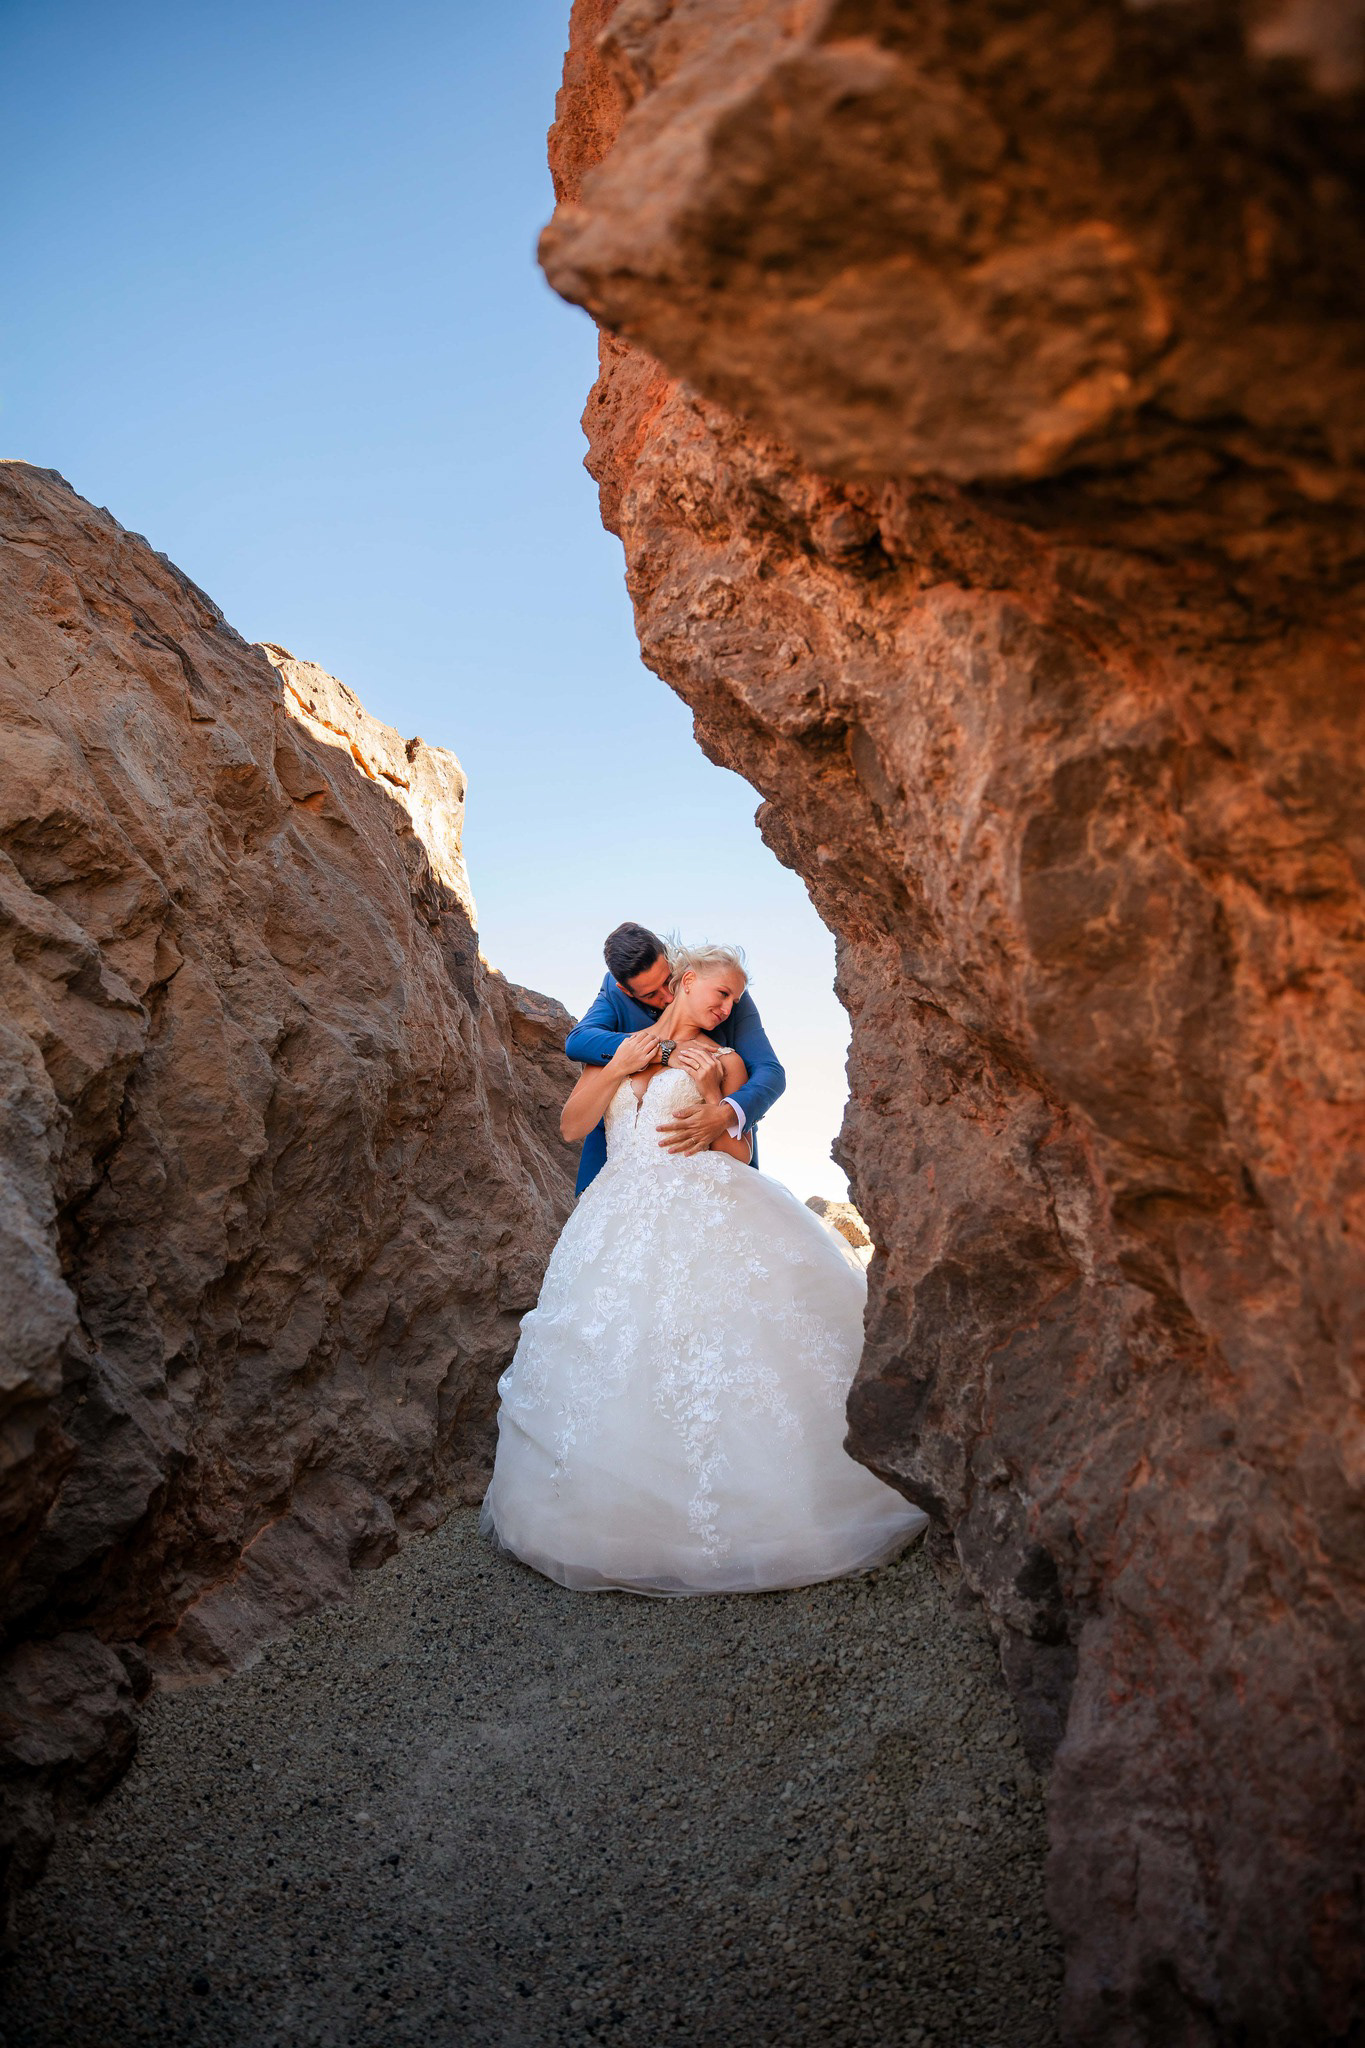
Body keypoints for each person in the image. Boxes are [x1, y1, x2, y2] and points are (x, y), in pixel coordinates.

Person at [480, 938, 927, 1596]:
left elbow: (739, 1155)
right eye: (721, 993)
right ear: (684, 981)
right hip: (613, 1214)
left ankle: (749, 1520)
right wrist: (620, 1064)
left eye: (735, 999)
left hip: (699, 1204)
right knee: (616, 1348)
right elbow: (574, 1126)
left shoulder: (725, 1057)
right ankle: (615, 1522)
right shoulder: (620, 1046)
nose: (727, 1007)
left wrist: (717, 1098)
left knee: (713, 1347)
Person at [563, 921, 787, 1195]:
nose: (669, 995)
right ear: (626, 991)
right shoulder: (617, 1015)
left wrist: (723, 1112)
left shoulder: (722, 988)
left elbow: (770, 1072)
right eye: (651, 994)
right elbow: (578, 1041)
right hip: (612, 1179)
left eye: (668, 979)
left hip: (699, 1187)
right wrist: (658, 1052)